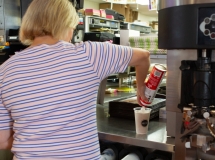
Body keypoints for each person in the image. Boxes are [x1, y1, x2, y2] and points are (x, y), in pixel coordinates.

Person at [0, 0, 150, 159]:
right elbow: (143, 57)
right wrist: (141, 88)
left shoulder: (4, 70)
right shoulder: (89, 54)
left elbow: (2, 141)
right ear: (66, 25)